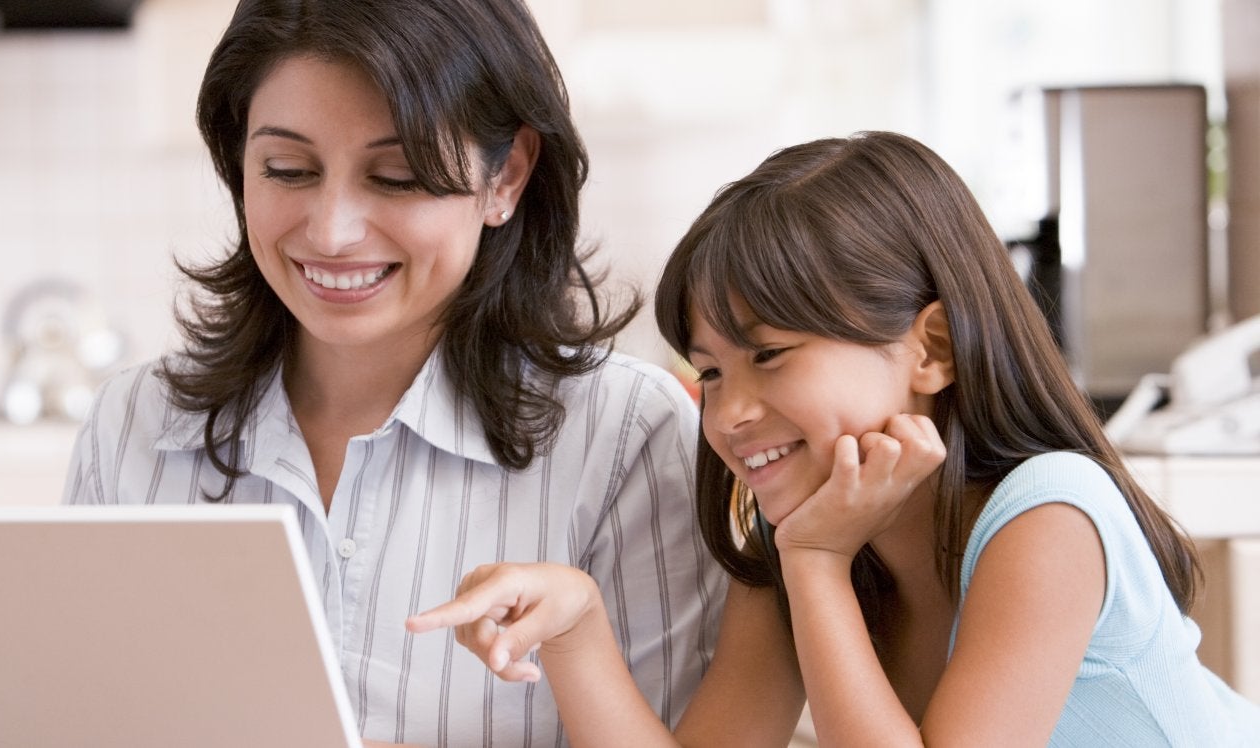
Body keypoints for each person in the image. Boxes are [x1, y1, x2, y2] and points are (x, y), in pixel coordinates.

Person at [408, 131, 1260, 745]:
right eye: (709, 372)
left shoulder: (1047, 518)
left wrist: (815, 564)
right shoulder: (804, 540)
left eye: (770, 355)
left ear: (929, 349)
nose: (728, 413)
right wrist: (576, 629)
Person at [61, 0, 725, 745]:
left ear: (504, 177)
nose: (332, 231)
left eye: (399, 177)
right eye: (288, 170)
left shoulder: (628, 438)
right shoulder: (132, 428)